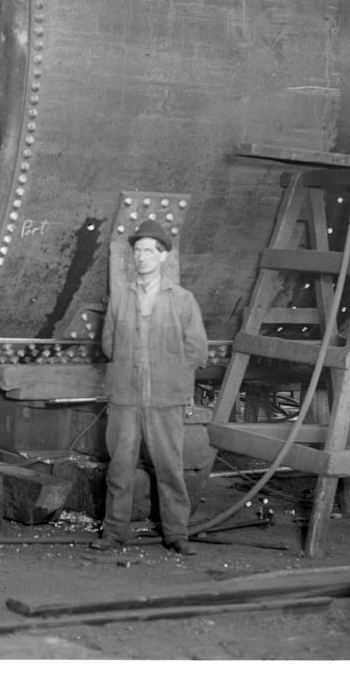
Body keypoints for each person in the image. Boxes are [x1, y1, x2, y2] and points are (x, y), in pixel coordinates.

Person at [94, 219, 209, 556]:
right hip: (125, 399)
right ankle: (114, 533)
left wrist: (172, 378)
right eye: (137, 251)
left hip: (165, 400)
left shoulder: (183, 300)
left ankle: (176, 534)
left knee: (170, 468)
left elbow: (197, 351)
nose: (141, 257)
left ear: (162, 257)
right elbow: (108, 346)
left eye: (148, 251)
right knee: (119, 468)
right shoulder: (121, 297)